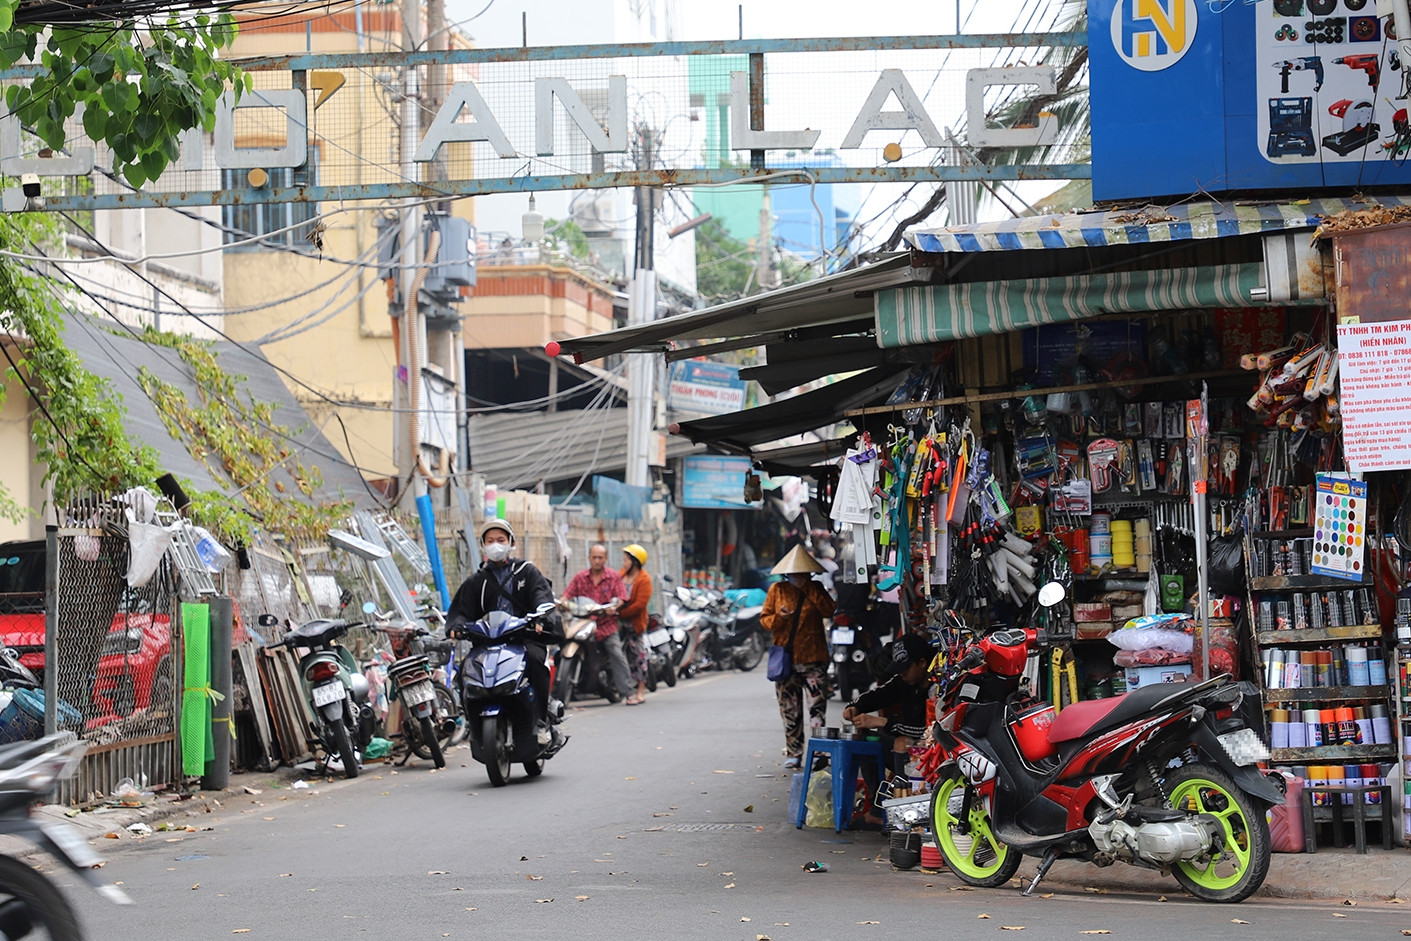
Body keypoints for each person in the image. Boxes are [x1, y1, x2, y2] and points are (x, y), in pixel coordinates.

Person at [446, 518, 561, 746]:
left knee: (537, 662)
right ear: (483, 545)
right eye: (490, 541)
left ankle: (541, 721)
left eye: (500, 540)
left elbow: (542, 597)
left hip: (525, 638)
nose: (495, 544)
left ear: (511, 543)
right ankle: (473, 724)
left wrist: (541, 618)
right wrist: (456, 627)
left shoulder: (527, 572)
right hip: (487, 643)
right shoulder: (476, 581)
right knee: (464, 674)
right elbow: (460, 610)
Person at [842, 632, 934, 826]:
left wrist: (883, 723)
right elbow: (879, 695)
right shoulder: (904, 682)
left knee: (901, 742)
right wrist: (855, 707)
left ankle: (905, 815)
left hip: (931, 755)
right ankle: (876, 810)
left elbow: (930, 732)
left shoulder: (938, 687)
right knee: (864, 742)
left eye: (905, 669)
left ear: (923, 663)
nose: (902, 674)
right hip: (909, 752)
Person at [762, 544, 835, 769]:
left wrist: (809, 590)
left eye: (801, 574)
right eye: (794, 574)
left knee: (816, 709)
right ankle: (794, 752)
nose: (797, 577)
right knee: (790, 710)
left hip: (813, 659)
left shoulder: (817, 588)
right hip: (786, 659)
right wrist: (780, 618)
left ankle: (819, 751)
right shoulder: (777, 590)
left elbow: (829, 610)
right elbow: (765, 620)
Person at [563, 544, 632, 702]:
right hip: (582, 624)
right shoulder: (580, 577)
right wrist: (561, 603)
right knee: (562, 643)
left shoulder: (613, 577)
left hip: (605, 626)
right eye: (594, 557)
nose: (597, 561)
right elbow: (567, 595)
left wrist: (615, 606)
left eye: (600, 557)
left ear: (605, 558)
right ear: (589, 558)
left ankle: (628, 691)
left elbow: (622, 598)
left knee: (616, 653)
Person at [617, 544, 653, 706]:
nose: (624, 563)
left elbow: (640, 605)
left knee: (637, 656)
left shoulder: (644, 579)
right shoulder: (621, 574)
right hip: (616, 622)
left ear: (635, 562)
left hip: (634, 624)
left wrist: (621, 613)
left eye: (626, 560)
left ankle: (640, 690)